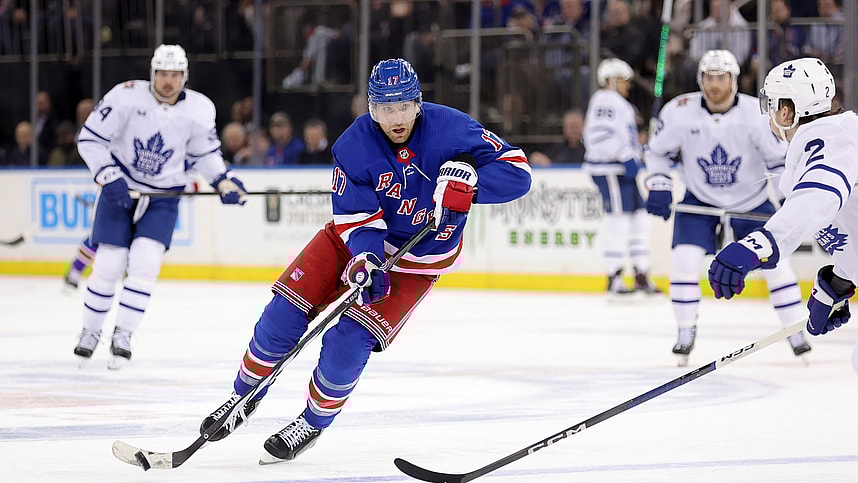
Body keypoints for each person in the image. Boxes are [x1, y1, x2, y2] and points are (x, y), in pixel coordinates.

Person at [198, 58, 531, 463]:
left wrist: (472, 182)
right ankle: (243, 396)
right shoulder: (354, 145)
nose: (396, 118)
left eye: (404, 106)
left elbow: (518, 173)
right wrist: (366, 260)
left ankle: (313, 422)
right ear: (372, 109)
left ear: (418, 103)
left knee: (348, 340)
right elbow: (357, 218)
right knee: (282, 313)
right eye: (386, 109)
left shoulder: (452, 128)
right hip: (352, 243)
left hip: (417, 259)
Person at [72, 44, 248, 369]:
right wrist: (109, 177)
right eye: (163, 74)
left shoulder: (199, 108)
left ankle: (122, 334)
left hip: (163, 198)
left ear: (185, 76)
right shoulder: (124, 96)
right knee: (109, 263)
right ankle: (90, 331)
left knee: (145, 263)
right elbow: (90, 139)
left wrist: (224, 180)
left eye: (175, 74)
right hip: (120, 190)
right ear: (152, 73)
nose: (168, 81)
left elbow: (203, 154)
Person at [644, 49, 811, 366]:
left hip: (750, 201)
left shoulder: (756, 113)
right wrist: (661, 184)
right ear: (700, 79)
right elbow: (656, 153)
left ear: (734, 79)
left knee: (777, 266)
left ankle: (795, 330)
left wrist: (791, 200)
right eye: (709, 77)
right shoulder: (679, 111)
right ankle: (685, 331)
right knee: (683, 261)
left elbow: (778, 161)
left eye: (722, 77)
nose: (715, 84)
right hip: (699, 198)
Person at [709, 58, 857, 339]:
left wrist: (758, 245)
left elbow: (818, 197)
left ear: (786, 112)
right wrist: (840, 281)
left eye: (771, 105)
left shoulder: (830, 140)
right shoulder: (836, 136)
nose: (769, 115)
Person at [583, 58, 659, 296]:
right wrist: (625, 154)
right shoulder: (605, 99)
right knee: (618, 220)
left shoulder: (621, 103)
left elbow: (625, 137)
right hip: (610, 170)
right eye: (623, 80)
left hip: (621, 169)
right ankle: (614, 274)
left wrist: (641, 150)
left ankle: (640, 272)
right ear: (610, 80)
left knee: (640, 217)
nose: (627, 85)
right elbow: (599, 136)